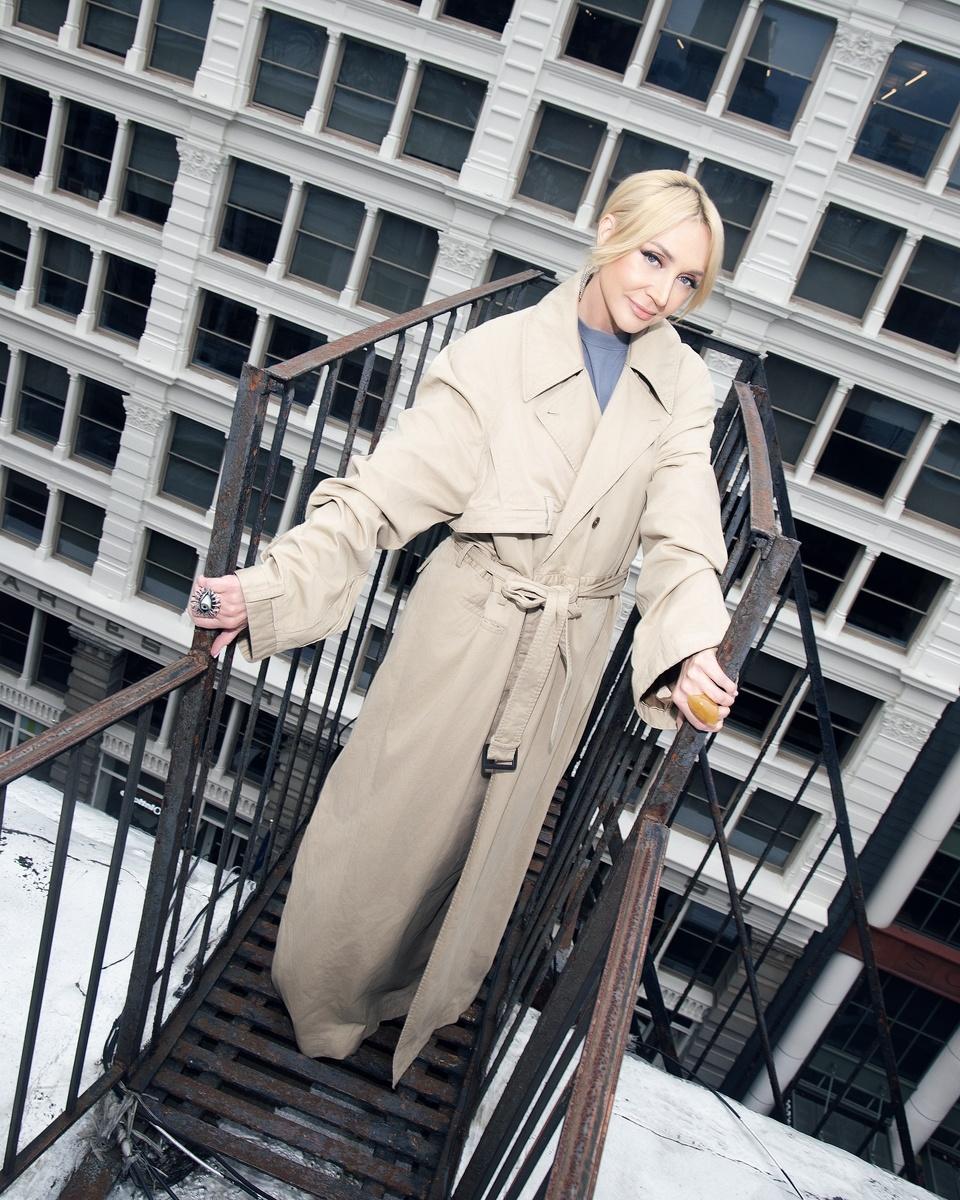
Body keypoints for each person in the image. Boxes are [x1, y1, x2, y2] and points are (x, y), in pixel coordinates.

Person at [187, 170, 739, 1085]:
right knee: (393, 821)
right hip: (469, 619)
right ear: (608, 227)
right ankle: (322, 999)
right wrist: (268, 588)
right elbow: (383, 492)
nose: (662, 292)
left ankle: (420, 1001)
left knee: (489, 846)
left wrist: (688, 643)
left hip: (568, 644)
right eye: (652, 257)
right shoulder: (498, 354)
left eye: (686, 280)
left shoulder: (682, 380)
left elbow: (685, 518)